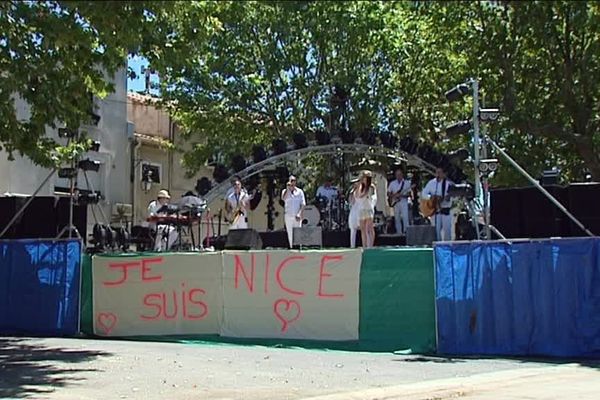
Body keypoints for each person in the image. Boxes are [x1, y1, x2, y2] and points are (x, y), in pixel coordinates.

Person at [422, 166, 454, 241]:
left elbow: (453, 196)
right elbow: (424, 194)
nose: (438, 174)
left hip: (445, 209)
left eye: (440, 172)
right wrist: (432, 198)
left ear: (444, 174)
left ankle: (447, 246)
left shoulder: (449, 184)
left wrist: (448, 198)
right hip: (435, 210)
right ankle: (437, 246)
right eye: (437, 172)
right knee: (436, 231)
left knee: (447, 230)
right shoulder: (431, 183)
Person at [353, 170, 377, 248]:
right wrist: (357, 186)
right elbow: (357, 196)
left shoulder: (371, 187)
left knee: (370, 228)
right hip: (361, 209)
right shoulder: (361, 186)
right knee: (363, 229)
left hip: (368, 208)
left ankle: (371, 245)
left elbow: (364, 195)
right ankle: (364, 246)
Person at [281, 175, 306, 248]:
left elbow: (303, 204)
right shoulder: (285, 191)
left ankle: (298, 248)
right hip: (288, 215)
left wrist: (299, 213)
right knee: (290, 233)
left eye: (293, 181)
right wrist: (287, 188)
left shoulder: (300, 191)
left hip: (297, 215)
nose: (292, 182)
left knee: (298, 232)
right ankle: (291, 247)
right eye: (291, 181)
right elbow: (283, 198)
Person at [387, 168, 412, 235]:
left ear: (402, 175)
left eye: (400, 174)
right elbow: (388, 193)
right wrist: (394, 195)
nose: (399, 176)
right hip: (396, 202)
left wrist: (402, 196)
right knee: (397, 218)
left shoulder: (406, 183)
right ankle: (399, 232)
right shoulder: (392, 183)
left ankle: (406, 232)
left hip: (403, 202)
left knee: (405, 217)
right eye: (397, 175)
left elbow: (409, 194)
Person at [347, 178, 360, 248]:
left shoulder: (362, 190)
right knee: (353, 228)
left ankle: (367, 246)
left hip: (361, 209)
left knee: (364, 228)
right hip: (354, 210)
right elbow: (351, 201)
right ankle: (352, 246)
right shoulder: (352, 191)